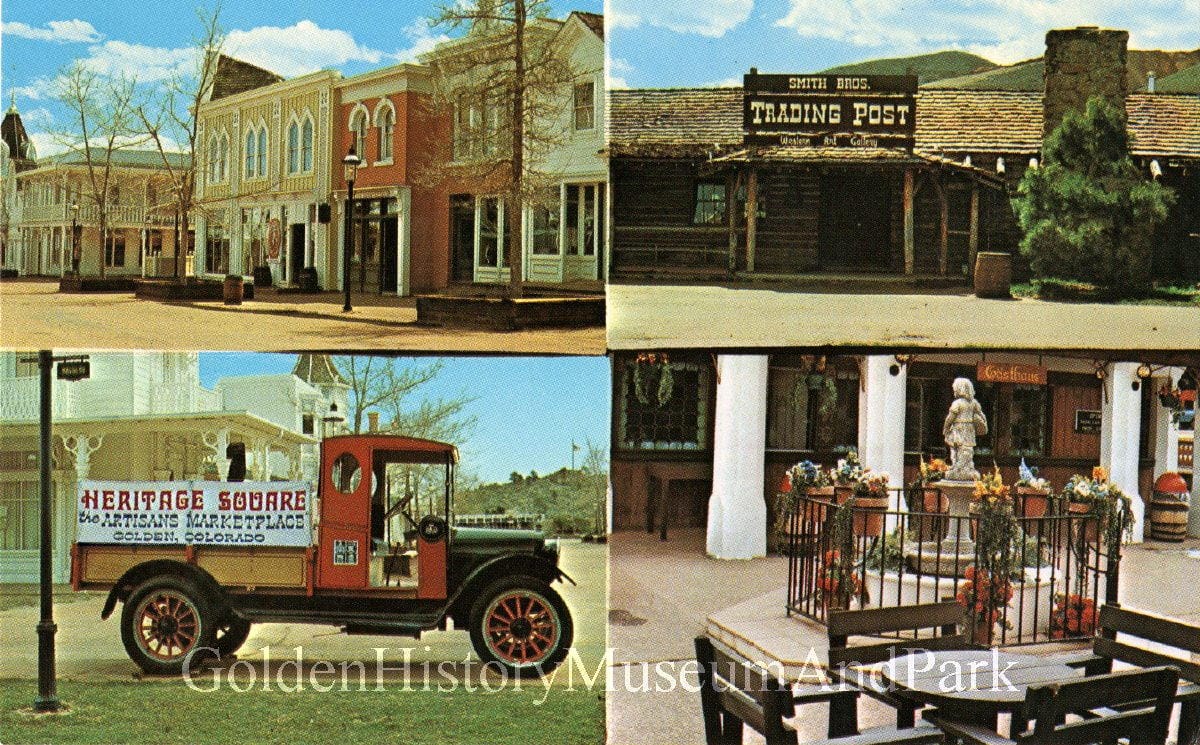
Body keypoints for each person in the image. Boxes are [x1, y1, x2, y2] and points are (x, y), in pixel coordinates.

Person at [943, 377, 988, 481]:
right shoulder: (974, 403)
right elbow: (981, 415)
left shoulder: (957, 403)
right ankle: (965, 467)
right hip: (969, 429)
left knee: (956, 448)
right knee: (966, 449)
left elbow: (950, 418)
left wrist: (946, 428)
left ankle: (958, 467)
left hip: (958, 428)